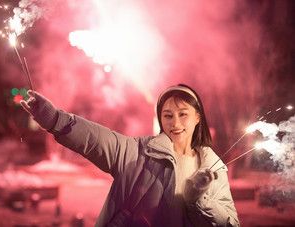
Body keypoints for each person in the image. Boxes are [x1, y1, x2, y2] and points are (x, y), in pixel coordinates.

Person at [21, 84, 239, 227]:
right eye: (168, 115)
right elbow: (96, 139)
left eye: (183, 114)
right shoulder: (138, 152)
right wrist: (55, 120)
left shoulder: (214, 169)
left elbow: (229, 224)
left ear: (198, 117)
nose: (176, 123)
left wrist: (199, 199)